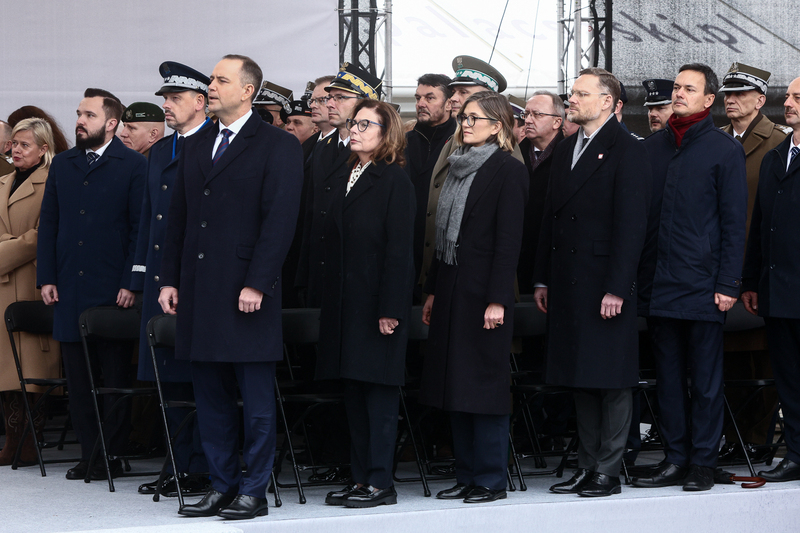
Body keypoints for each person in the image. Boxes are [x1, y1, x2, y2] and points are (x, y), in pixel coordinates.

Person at [159, 54, 303, 520]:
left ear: (248, 91)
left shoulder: (277, 144)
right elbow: (179, 217)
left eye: (222, 80)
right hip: (201, 289)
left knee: (255, 398)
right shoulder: (198, 143)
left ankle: (254, 490)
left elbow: (279, 221)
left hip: (245, 290)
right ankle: (222, 485)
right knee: (211, 394)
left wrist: (258, 282)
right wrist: (170, 279)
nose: (212, 86)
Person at [533, 68, 649, 497]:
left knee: (612, 378)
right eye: (572, 93)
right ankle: (586, 464)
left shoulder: (627, 149)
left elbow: (632, 226)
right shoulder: (566, 148)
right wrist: (542, 277)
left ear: (607, 101)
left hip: (604, 281)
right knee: (581, 374)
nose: (572, 99)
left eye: (582, 93)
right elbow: (552, 217)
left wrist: (618, 287)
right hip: (568, 279)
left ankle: (609, 468)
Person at [633, 64, 747, 492]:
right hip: (659, 283)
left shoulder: (723, 150)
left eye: (688, 88)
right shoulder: (651, 149)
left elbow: (735, 223)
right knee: (667, 377)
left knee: (705, 379)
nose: (678, 94)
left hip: (703, 285)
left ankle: (703, 460)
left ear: (708, 100)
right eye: (677, 87)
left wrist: (727, 283)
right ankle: (675, 458)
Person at [420, 91, 528, 504]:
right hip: (450, 286)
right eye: (463, 117)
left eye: (475, 118)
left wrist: (499, 299)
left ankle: (490, 479)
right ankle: (467, 474)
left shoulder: (508, 169)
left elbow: (508, 242)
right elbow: (439, 238)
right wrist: (432, 291)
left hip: (485, 291)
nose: (465, 124)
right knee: (455, 382)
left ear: (497, 126)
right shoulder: (456, 167)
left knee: (483, 384)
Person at [37, 88, 146, 480]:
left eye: (89, 115)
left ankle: (114, 453)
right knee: (79, 380)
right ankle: (89, 453)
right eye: (79, 114)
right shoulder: (63, 164)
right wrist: (46, 277)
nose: (80, 121)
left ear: (111, 123)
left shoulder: (133, 165)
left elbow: (140, 228)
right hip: (68, 286)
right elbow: (49, 222)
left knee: (114, 376)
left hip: (112, 288)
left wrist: (132, 281)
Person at [318, 99, 415, 508]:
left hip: (378, 307)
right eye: (354, 123)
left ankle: (380, 482)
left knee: (377, 397)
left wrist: (391, 309)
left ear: (386, 132)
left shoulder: (394, 180)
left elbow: (399, 251)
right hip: (346, 304)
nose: (354, 129)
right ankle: (360, 479)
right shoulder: (348, 173)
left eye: (365, 124)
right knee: (354, 395)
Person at [131, 61, 212, 496]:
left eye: (174, 99)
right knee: (167, 375)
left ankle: (201, 463)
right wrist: (140, 274)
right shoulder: (162, 149)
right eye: (165, 99)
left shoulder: (214, 144)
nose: (166, 106)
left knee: (197, 376)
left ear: (200, 102)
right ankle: (179, 463)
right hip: (161, 275)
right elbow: (149, 219)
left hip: (191, 277)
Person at [718, 62, 788, 461]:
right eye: (728, 94)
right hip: (721, 270)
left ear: (760, 101)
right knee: (728, 362)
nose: (731, 100)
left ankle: (759, 439)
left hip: (760, 269)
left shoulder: (776, 142)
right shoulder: (715, 140)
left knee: (762, 359)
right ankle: (733, 437)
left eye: (741, 94)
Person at [743, 75, 800, 483]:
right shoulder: (775, 157)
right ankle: (796, 452)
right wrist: (750, 281)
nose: (789, 102)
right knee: (790, 379)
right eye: (790, 95)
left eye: (798, 97)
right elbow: (761, 227)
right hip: (779, 292)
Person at [419, 56, 512, 292]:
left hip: (478, 279)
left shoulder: (504, 151)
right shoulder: (457, 141)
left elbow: (506, 233)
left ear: (487, 97)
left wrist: (497, 296)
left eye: (463, 91)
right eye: (453, 91)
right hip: (447, 269)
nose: (454, 98)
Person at [295, 63, 383, 307]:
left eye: (340, 98)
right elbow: (311, 217)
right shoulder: (322, 147)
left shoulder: (381, 155)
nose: (330, 104)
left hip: (357, 280)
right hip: (320, 274)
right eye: (330, 98)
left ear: (366, 104)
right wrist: (303, 276)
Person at [0, 118, 59, 466]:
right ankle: (13, 439)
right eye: (14, 144)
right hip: (5, 286)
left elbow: (40, 237)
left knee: (31, 367)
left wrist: (4, 248)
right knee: (6, 369)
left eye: (25, 145)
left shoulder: (52, 182)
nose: (16, 150)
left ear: (43, 149)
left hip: (31, 283)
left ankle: (29, 439)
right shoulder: (3, 181)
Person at [404, 73, 455, 298]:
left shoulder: (461, 142)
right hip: (406, 252)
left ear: (449, 103)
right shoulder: (402, 142)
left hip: (443, 253)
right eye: (418, 98)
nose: (420, 104)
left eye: (430, 98)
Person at [518, 91, 564, 294]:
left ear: (557, 122)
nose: (528, 120)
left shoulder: (571, 156)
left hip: (554, 261)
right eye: (526, 114)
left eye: (537, 114)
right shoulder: (513, 154)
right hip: (517, 258)